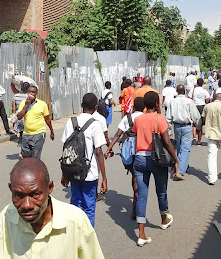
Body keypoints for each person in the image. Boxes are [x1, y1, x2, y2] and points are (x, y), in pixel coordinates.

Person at [0, 158, 104, 258]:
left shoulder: (75, 221)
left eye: (35, 194)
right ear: (10, 189)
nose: (26, 205)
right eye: (19, 195)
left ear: (50, 188)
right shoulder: (7, 217)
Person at [131, 91, 179, 246]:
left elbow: (136, 135)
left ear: (145, 104)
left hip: (139, 159)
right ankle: (164, 218)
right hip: (156, 159)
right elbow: (166, 141)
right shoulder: (160, 118)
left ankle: (141, 234)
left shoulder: (138, 119)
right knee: (161, 190)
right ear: (157, 103)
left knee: (141, 196)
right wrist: (175, 159)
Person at [60, 93, 107, 227]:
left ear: (81, 105)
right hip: (89, 173)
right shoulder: (95, 124)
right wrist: (104, 177)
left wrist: (65, 174)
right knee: (89, 208)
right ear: (96, 107)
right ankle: (87, 237)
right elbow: (99, 152)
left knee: (75, 204)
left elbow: (66, 149)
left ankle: (73, 234)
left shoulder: (71, 122)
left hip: (73, 170)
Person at [105, 97, 146, 219]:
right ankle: (137, 206)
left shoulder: (127, 118)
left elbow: (118, 134)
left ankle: (135, 206)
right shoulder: (145, 118)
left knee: (134, 177)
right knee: (141, 179)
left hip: (129, 151)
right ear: (144, 107)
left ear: (133, 107)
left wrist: (109, 148)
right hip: (143, 150)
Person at [165, 85, 200, 181]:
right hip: (187, 126)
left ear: (176, 91)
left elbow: (168, 117)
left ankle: (181, 165)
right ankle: (179, 171)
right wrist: (198, 125)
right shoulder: (189, 101)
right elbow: (195, 116)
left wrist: (168, 130)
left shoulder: (173, 102)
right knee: (185, 149)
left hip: (176, 126)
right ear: (184, 91)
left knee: (179, 148)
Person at [17, 85, 54, 159]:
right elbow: (19, 117)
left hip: (39, 134)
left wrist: (51, 131)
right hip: (26, 134)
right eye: (29, 92)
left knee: (35, 158)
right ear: (27, 93)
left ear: (36, 93)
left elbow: (47, 119)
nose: (31, 94)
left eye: (33, 92)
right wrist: (26, 106)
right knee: (25, 157)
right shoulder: (23, 103)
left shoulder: (42, 104)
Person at [191, 78, 210, 145]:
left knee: (193, 123)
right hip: (202, 107)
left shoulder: (193, 90)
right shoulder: (204, 91)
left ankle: (193, 136)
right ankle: (199, 141)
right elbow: (208, 99)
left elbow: (190, 98)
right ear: (202, 84)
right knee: (200, 124)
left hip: (194, 107)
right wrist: (205, 104)